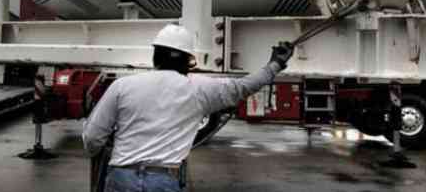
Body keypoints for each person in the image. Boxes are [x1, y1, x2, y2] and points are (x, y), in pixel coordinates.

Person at [82, 24, 294, 192]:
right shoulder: (198, 89)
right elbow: (243, 87)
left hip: (121, 178)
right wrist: (275, 64)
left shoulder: (122, 86)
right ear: (188, 59)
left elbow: (92, 137)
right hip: (164, 181)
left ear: (155, 55)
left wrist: (100, 153)